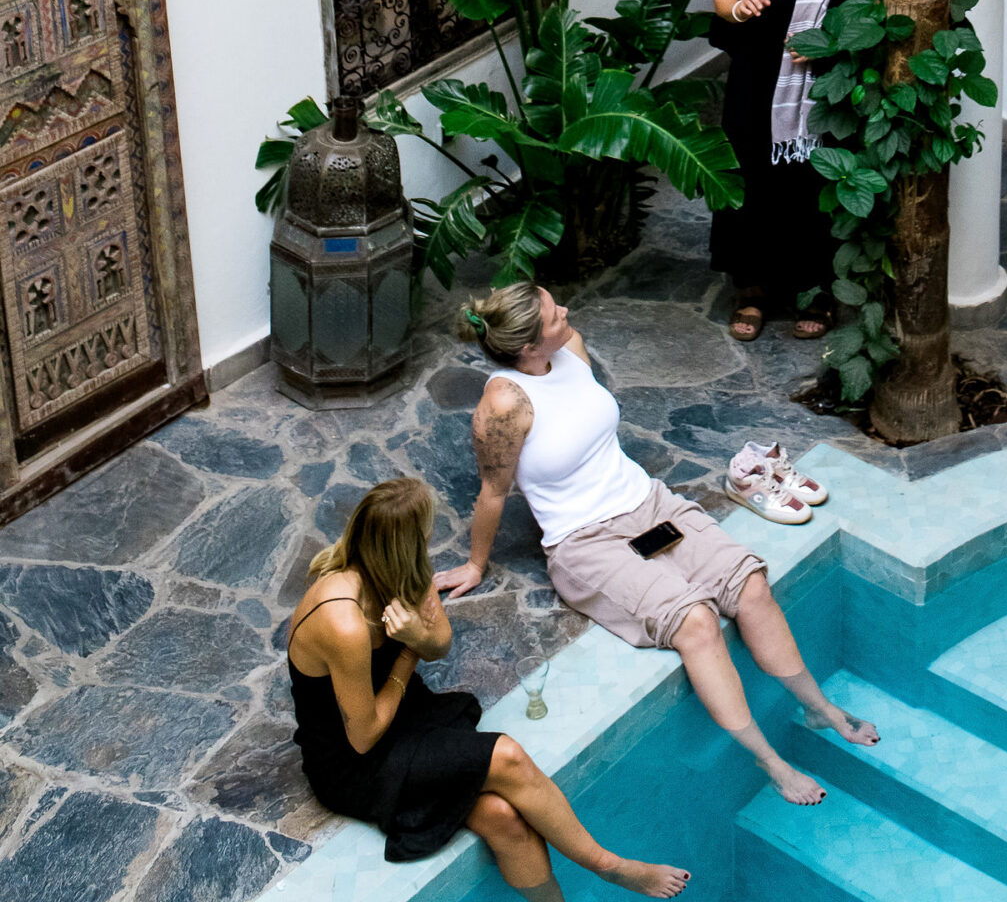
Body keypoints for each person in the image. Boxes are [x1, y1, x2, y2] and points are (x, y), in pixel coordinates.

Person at [436, 282, 879, 807]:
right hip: (584, 540)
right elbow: (493, 490)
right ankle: (770, 761)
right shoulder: (504, 402)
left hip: (649, 505)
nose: (567, 312)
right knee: (695, 622)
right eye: (555, 315)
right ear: (528, 346)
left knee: (750, 586)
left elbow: (584, 410)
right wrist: (474, 563)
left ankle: (818, 707)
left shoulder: (568, 349)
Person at [286, 475, 687, 897]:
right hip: (354, 761)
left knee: (502, 817)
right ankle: (608, 865)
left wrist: (417, 640)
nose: (428, 542)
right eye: (424, 535)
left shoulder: (401, 570)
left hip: (402, 716)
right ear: (404, 542)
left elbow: (438, 642)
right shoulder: (342, 621)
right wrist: (407, 652)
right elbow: (364, 737)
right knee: (507, 756)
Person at [708, 0, 875, 341]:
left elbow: (870, 29)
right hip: (753, 90)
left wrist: (832, 46)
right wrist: (740, 8)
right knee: (752, 185)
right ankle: (752, 290)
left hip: (817, 99)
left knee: (808, 192)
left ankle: (813, 290)